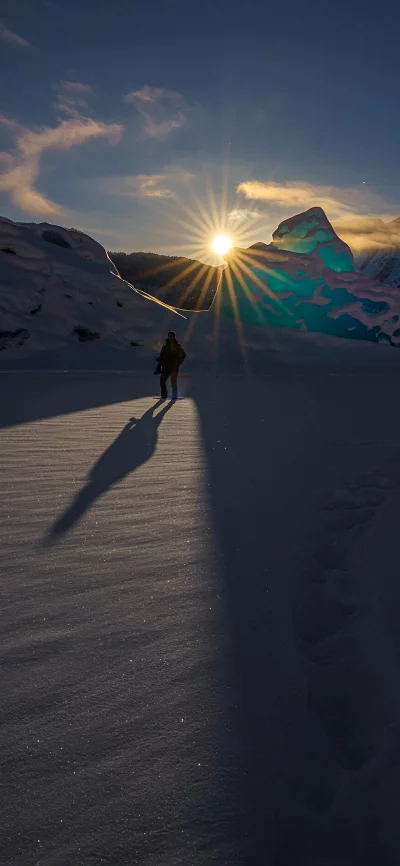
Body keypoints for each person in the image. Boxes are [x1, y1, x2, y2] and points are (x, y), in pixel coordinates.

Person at [154, 331, 186, 399]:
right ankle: (164, 396)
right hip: (166, 367)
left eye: (171, 336)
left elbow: (183, 355)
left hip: (174, 367)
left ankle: (174, 396)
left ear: (174, 337)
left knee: (173, 382)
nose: (170, 338)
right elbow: (162, 356)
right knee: (162, 381)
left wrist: (178, 363)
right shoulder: (165, 346)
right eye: (169, 336)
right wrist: (160, 363)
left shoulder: (177, 346)